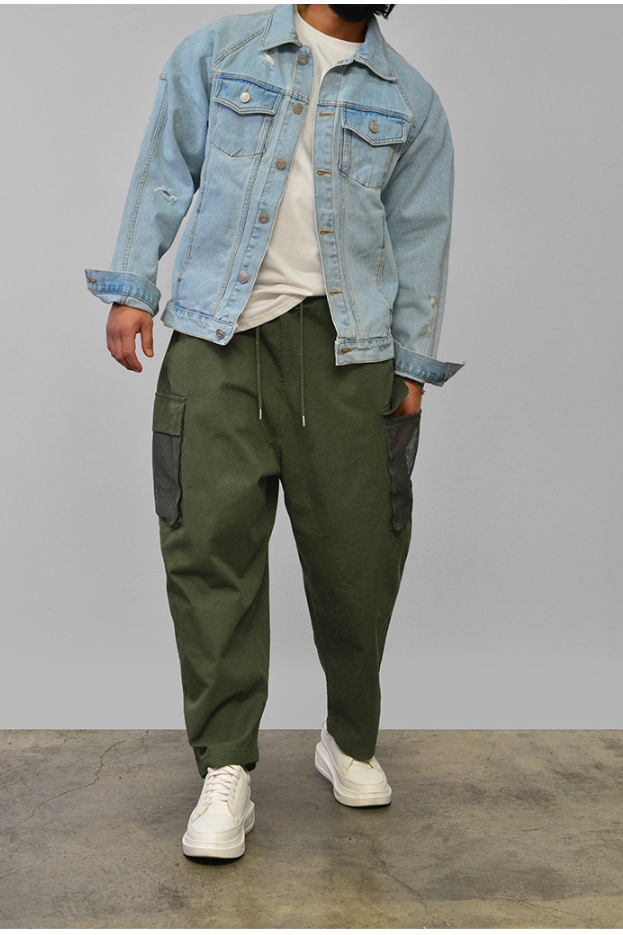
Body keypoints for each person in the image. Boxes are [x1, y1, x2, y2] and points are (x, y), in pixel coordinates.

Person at [85, 2, 462, 860]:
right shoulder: (218, 54)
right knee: (207, 549)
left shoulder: (411, 101)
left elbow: (420, 234)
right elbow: (164, 166)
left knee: (359, 558)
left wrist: (411, 362)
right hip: (217, 338)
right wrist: (134, 283)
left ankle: (349, 738)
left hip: (350, 351)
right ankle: (225, 767)